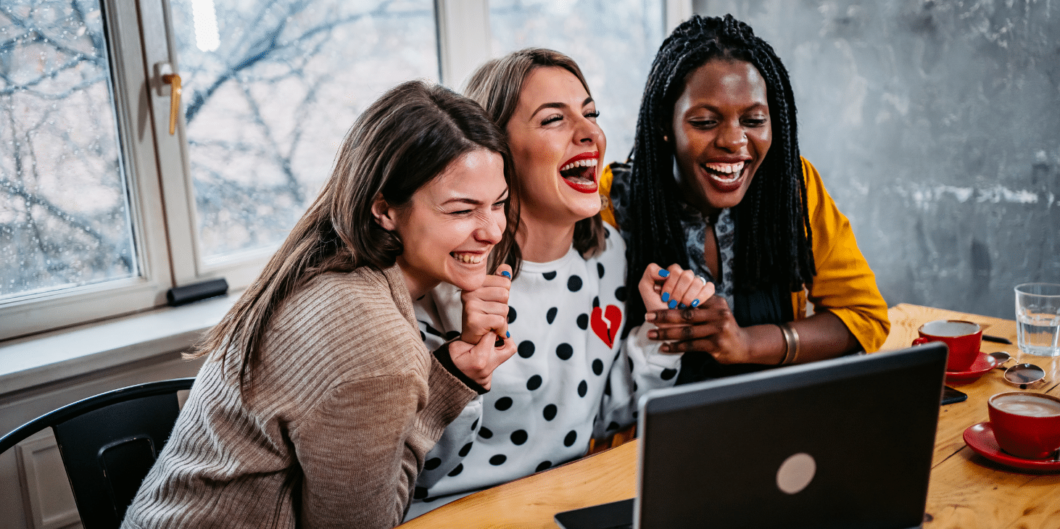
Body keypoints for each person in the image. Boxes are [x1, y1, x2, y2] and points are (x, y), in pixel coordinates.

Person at [122, 81, 520, 529]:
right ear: (384, 210)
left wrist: (449, 374)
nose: (492, 230)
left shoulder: (326, 270)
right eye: (462, 210)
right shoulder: (377, 346)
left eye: (499, 203)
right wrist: (438, 397)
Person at [405, 49, 714, 519]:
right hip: (455, 513)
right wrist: (459, 370)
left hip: (567, 503)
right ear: (496, 151)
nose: (590, 133)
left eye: (591, 114)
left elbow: (603, 417)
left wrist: (660, 334)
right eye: (554, 119)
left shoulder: (612, 254)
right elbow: (412, 472)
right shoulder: (450, 274)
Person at [602, 14, 890, 383]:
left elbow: (863, 317)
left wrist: (747, 344)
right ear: (663, 124)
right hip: (649, 434)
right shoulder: (609, 204)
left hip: (775, 420)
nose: (734, 142)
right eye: (705, 122)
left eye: (753, 120)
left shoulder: (792, 187)